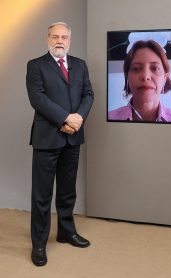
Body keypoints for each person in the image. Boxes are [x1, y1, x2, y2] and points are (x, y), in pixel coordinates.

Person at [26, 22, 94, 266]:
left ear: (70, 40)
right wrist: (65, 118)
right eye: (55, 36)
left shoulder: (80, 65)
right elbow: (37, 99)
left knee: (67, 191)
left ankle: (66, 232)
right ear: (47, 39)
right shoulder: (35, 66)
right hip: (47, 138)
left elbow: (88, 94)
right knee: (42, 195)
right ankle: (39, 244)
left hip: (72, 136)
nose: (60, 41)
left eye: (64, 37)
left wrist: (77, 120)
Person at [108, 40, 171, 122]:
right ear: (127, 76)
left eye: (155, 68)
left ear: (165, 78)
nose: (145, 76)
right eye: (136, 68)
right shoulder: (109, 118)